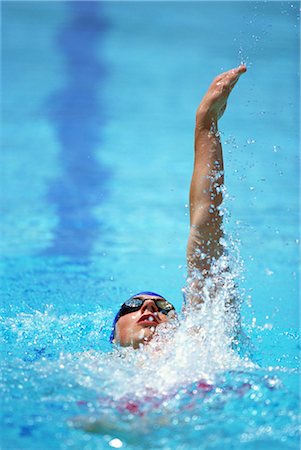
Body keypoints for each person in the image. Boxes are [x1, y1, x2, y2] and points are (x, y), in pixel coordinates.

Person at [110, 65, 247, 349]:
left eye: (165, 308)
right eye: (132, 306)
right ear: (113, 337)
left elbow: (205, 227)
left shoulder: (199, 347)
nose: (149, 308)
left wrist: (205, 123)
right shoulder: (89, 374)